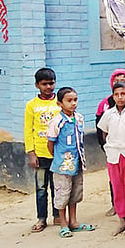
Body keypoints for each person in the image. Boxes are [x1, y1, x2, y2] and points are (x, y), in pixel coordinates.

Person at [46, 87, 94, 238]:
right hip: (62, 166)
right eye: (69, 101)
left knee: (75, 193)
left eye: (75, 100)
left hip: (78, 163)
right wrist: (60, 159)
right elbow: (50, 144)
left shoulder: (79, 118)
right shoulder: (57, 121)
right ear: (60, 103)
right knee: (62, 194)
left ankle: (74, 222)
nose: (73, 103)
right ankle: (63, 224)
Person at [97, 81, 125, 236]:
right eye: (116, 94)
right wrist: (108, 147)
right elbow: (103, 133)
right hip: (113, 155)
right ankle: (121, 219)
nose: (120, 97)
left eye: (123, 94)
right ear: (113, 96)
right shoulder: (108, 114)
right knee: (117, 188)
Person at [24, 67, 61, 233]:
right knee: (41, 189)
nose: (48, 87)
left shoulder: (59, 103)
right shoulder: (31, 105)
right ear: (37, 85)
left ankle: (58, 216)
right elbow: (28, 130)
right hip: (40, 154)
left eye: (51, 83)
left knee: (57, 187)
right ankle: (41, 218)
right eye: (44, 84)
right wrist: (31, 153)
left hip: (58, 153)